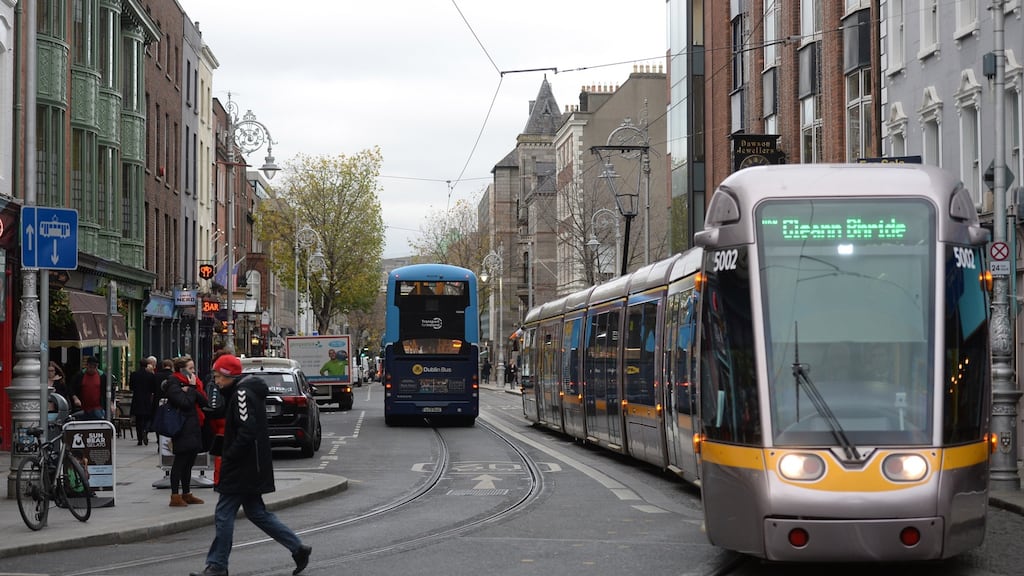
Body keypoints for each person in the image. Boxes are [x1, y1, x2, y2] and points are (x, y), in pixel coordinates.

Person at [190, 353, 312, 576]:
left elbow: (246, 430)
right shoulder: (240, 392)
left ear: (228, 375)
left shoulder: (242, 394)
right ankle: (298, 548)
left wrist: (230, 456)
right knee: (257, 513)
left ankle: (217, 566)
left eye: (218, 376)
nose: (216, 381)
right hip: (251, 465)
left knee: (224, 514)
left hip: (242, 466)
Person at [163, 356, 209, 507]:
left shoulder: (191, 384)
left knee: (189, 462)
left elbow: (204, 402)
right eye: (190, 368)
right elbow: (185, 404)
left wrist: (193, 388)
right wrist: (190, 390)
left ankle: (187, 493)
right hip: (182, 427)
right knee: (180, 462)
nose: (193, 371)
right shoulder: (173, 383)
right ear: (182, 370)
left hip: (194, 425)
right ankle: (175, 496)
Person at [129, 358, 157, 445]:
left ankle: (139, 439)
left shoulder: (134, 374)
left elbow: (131, 387)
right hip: (147, 399)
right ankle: (145, 430)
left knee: (138, 420)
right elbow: (153, 388)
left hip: (137, 399)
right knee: (147, 418)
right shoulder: (150, 376)